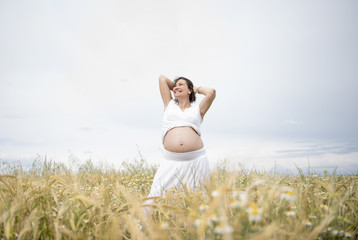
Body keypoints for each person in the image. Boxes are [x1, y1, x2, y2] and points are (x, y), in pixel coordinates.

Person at [145, 74, 216, 205]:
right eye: (175, 85)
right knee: (155, 195)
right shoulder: (169, 104)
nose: (176, 87)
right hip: (171, 160)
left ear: (190, 90)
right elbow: (162, 79)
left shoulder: (198, 109)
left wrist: (196, 88)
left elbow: (211, 92)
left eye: (181, 84)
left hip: (196, 160)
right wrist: (178, 89)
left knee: (198, 199)